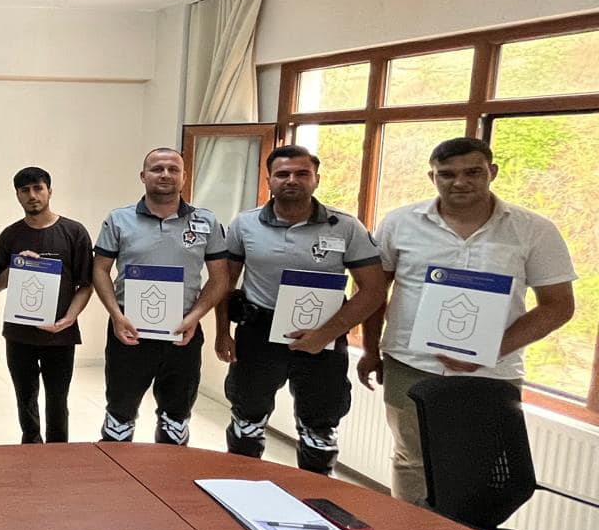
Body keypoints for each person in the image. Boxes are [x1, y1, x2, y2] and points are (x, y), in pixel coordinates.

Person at [359, 136, 575, 504]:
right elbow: (374, 291)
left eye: (473, 172)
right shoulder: (399, 223)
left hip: (492, 374)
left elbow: (558, 306)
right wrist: (369, 349)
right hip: (410, 365)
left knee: (481, 467)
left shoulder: (533, 229)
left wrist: (490, 350)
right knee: (412, 460)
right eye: (447, 174)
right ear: (433, 177)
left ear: (492, 172)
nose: (460, 182)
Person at [214, 145, 385, 474]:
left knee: (319, 427)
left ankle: (313, 496)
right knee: (247, 417)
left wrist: (324, 335)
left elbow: (374, 289)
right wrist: (223, 333)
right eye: (282, 174)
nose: (291, 180)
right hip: (259, 332)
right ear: (269, 180)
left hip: (323, 336)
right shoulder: (245, 224)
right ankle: (239, 485)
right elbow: (225, 283)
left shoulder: (345, 226)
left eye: (301, 173)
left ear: (316, 179)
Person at [93, 148, 230, 446]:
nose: (165, 174)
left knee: (176, 418)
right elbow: (100, 270)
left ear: (184, 176)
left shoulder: (206, 221)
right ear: (143, 176)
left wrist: (195, 317)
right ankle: (115, 469)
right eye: (157, 169)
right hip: (129, 332)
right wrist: (116, 316)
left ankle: (169, 471)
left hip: (183, 333)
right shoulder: (119, 219)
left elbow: (221, 279)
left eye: (173, 169)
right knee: (119, 415)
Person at [0, 167, 94, 443]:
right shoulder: (10, 235)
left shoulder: (74, 232)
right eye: (25, 190)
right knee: (25, 398)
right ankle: (31, 447)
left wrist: (69, 319)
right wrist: (17, 266)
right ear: (17, 195)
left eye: (38, 188)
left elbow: (86, 284)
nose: (32, 195)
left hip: (60, 334)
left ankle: (57, 453)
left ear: (50, 191)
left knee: (58, 401)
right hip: (19, 334)